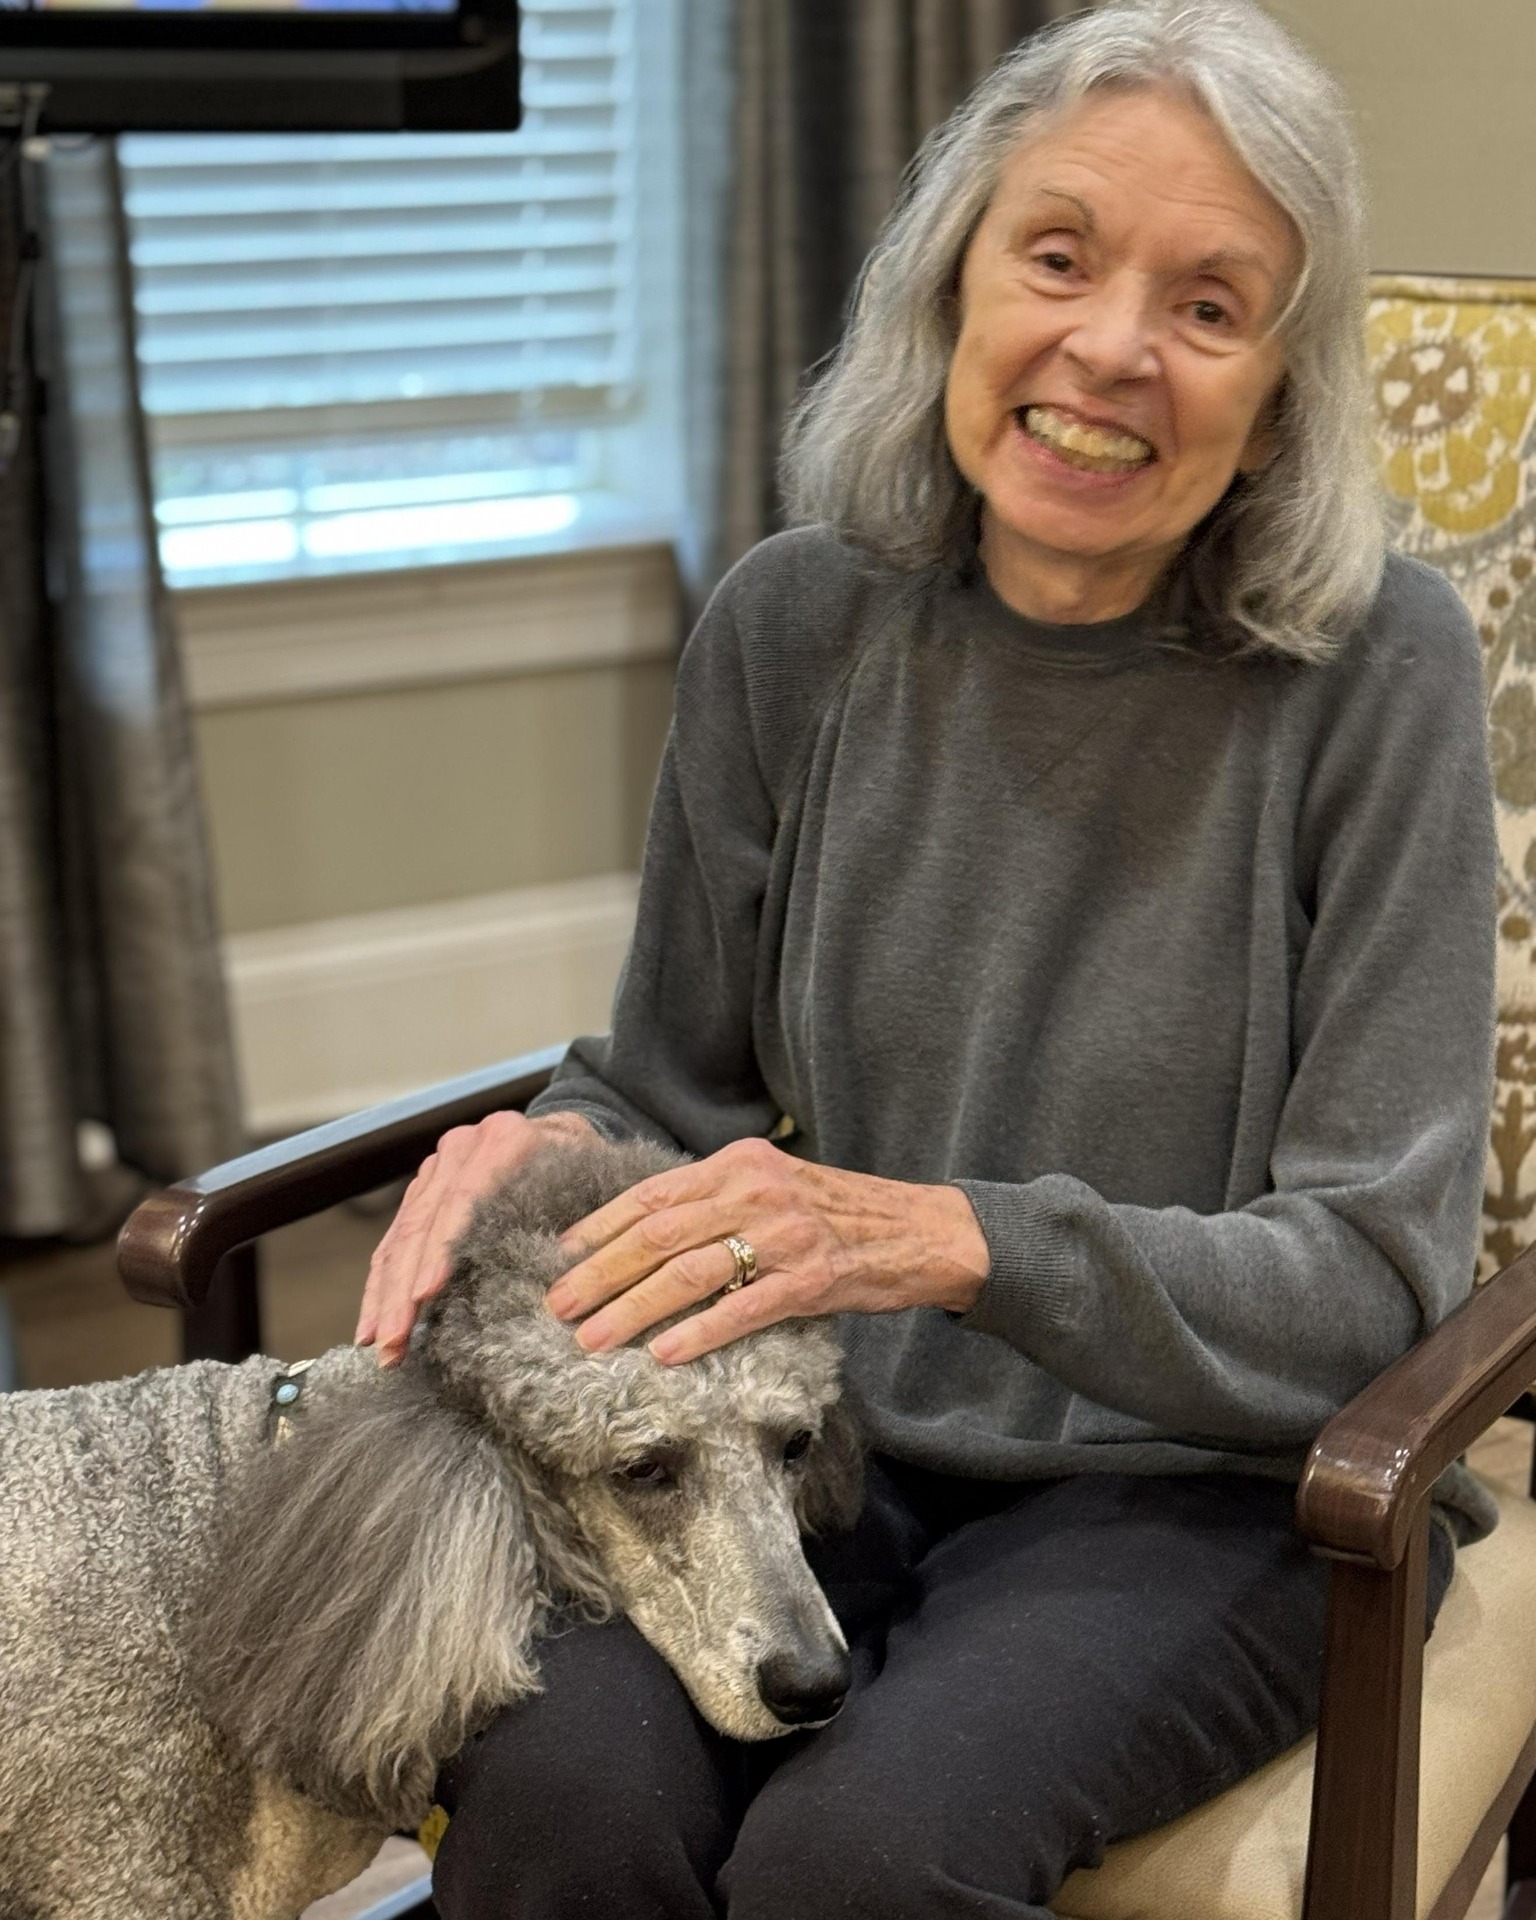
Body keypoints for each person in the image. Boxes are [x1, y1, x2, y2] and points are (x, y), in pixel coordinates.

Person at [354, 2, 1498, 1913]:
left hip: (1220, 1494)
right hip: (812, 1437)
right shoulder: (796, 620)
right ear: (951, 280)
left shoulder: (1383, 675)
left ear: (1283, 387)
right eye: (1057, 256)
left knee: (858, 1865)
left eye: (1211, 307)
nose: (1114, 346)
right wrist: (537, 1156)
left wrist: (948, 1239)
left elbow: (1377, 1282)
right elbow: (665, 1089)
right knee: (561, 1801)